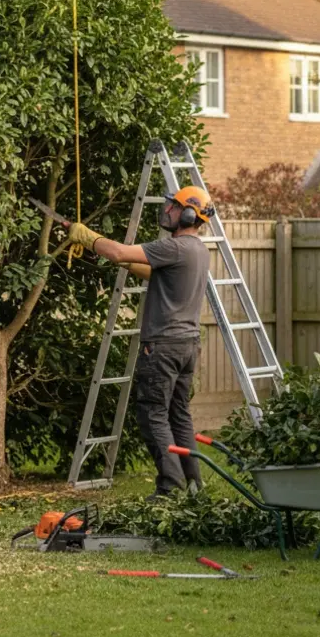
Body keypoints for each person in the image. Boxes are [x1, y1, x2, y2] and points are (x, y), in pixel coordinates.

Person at [67, 187, 215, 497]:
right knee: (179, 415)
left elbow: (120, 252)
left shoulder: (174, 247)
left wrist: (87, 237)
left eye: (173, 207)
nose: (167, 211)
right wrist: (120, 259)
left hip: (162, 346)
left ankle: (170, 488)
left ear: (187, 214)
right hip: (187, 345)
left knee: (153, 414)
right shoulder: (198, 250)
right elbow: (152, 272)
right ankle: (193, 486)